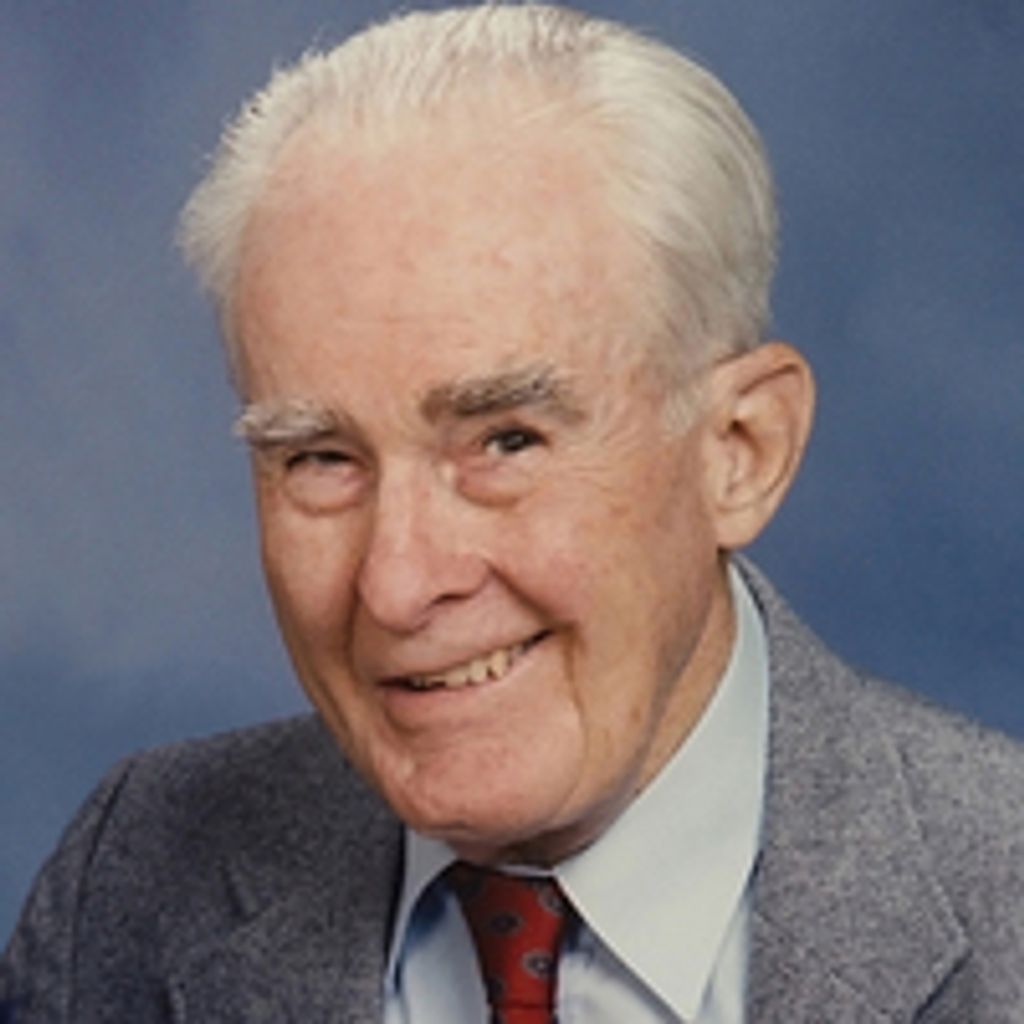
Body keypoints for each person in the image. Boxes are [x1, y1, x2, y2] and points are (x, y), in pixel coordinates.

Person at [3, 4, 1023, 1021]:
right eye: (320, 458)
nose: (397, 584)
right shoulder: (133, 877)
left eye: (506, 442)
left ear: (739, 452)